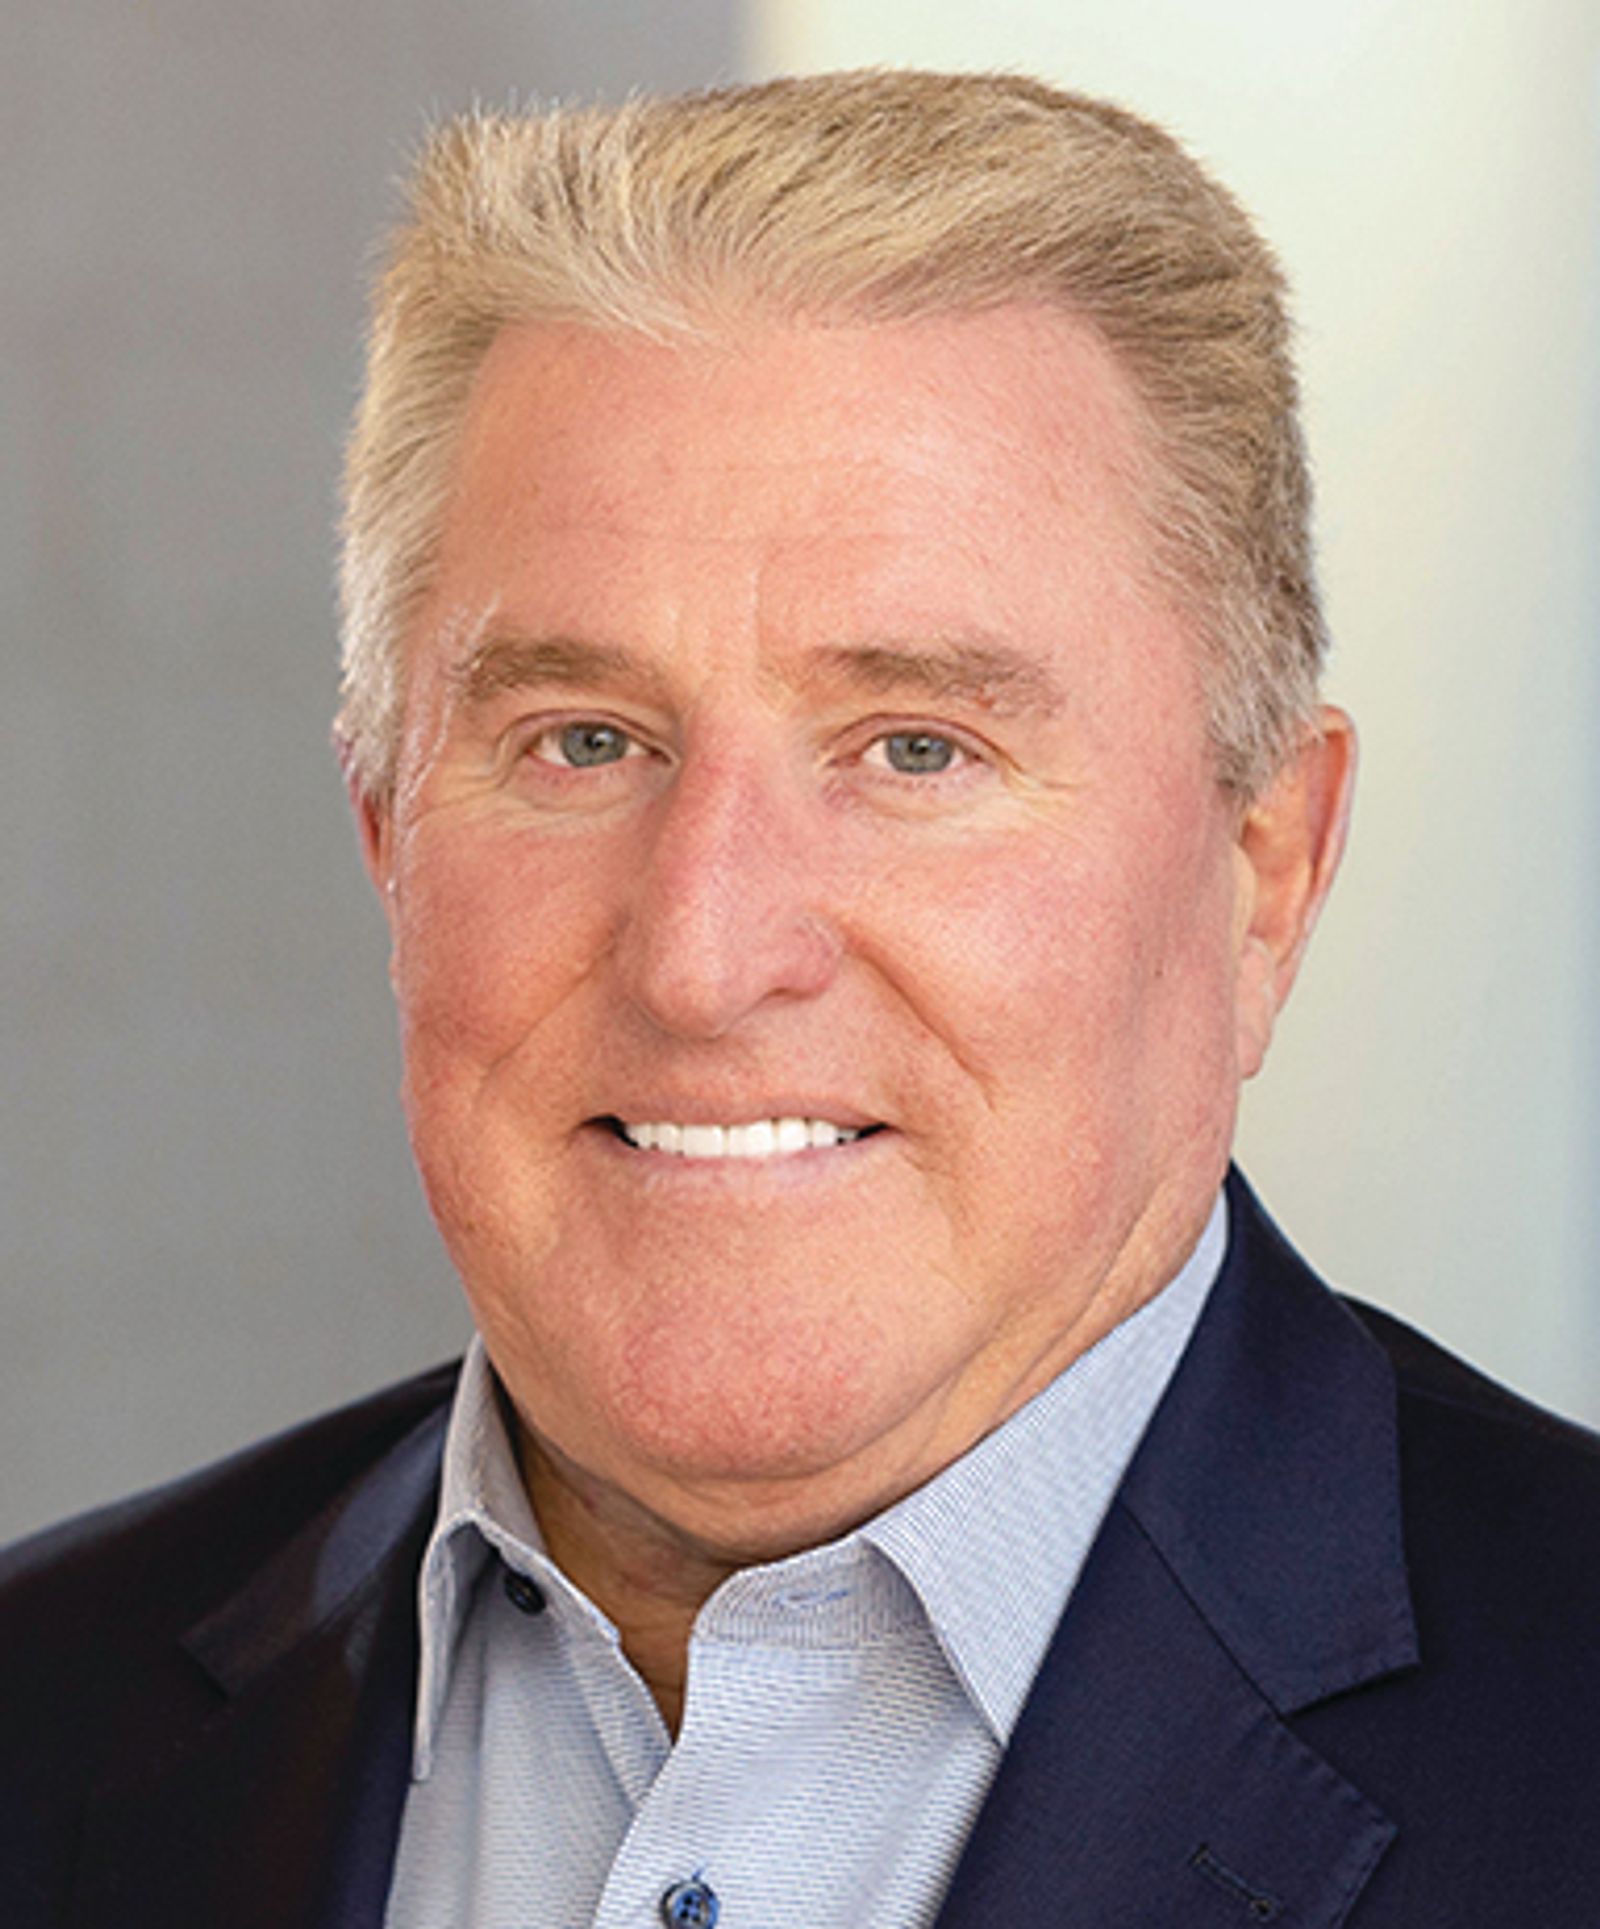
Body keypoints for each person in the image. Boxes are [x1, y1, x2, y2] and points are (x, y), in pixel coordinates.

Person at [3, 68, 1598, 1929]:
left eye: (915, 747)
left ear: (1268, 870)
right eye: (582, 740)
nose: (704, 953)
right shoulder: (43, 1706)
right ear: (388, 838)